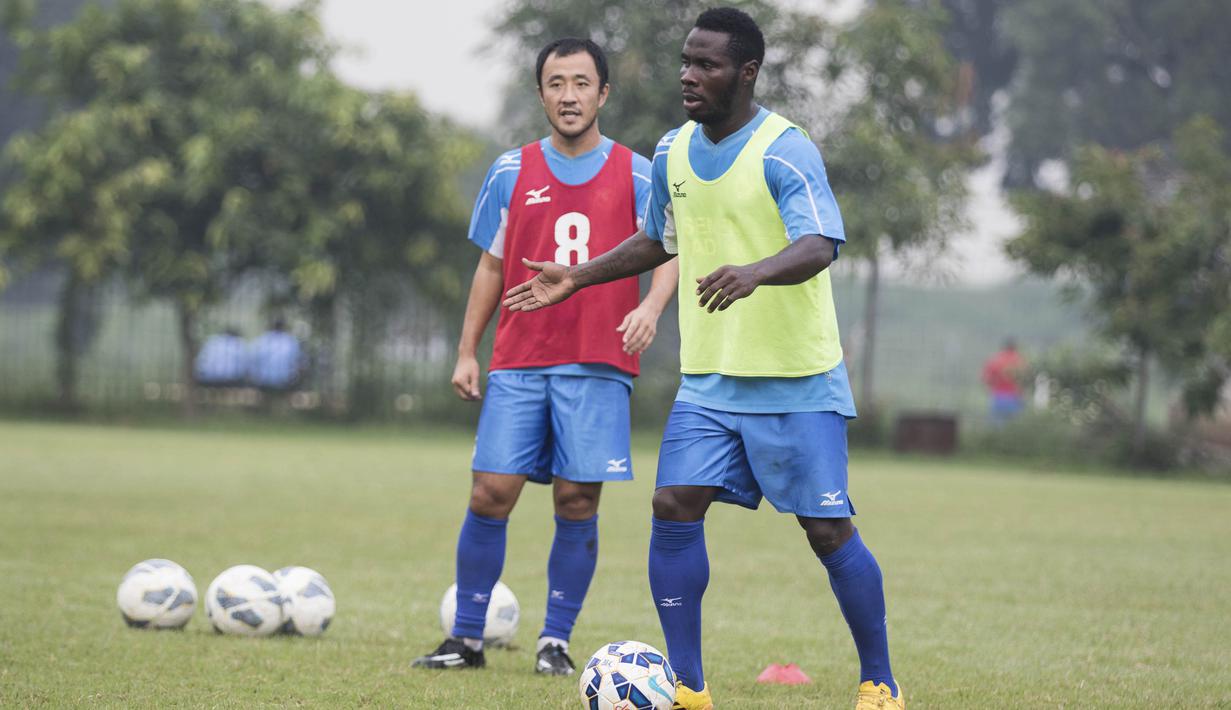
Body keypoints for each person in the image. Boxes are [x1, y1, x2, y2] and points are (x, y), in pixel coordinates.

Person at [503, 8, 902, 709]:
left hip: (796, 381)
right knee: (672, 503)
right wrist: (580, 276)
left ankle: (879, 680)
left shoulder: (784, 149)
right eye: (686, 62)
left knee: (827, 529)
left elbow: (820, 243)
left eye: (707, 65)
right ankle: (688, 687)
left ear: (745, 73)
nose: (689, 76)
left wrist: (754, 271)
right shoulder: (672, 152)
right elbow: (657, 238)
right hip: (710, 383)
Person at [411, 38, 678, 676]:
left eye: (581, 83)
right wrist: (465, 350)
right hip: (519, 360)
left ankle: (553, 643)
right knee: (489, 491)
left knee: (577, 502)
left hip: (598, 364)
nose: (568, 95)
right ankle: (466, 640)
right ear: (540, 94)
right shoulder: (510, 170)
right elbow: (491, 266)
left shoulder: (641, 174)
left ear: (603, 93)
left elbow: (671, 250)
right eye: (556, 83)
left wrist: (649, 308)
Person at [246, 318, 303, 390]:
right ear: (284, 327)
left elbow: (252, 361)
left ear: (271, 326)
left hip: (263, 381)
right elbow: (298, 363)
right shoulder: (291, 341)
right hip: (285, 381)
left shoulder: (261, 340)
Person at [982, 338, 1025, 424]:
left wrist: (994, 385)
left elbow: (986, 379)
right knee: (1015, 428)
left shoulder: (996, 360)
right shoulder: (1020, 361)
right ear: (1015, 348)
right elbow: (1025, 380)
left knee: (997, 428)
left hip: (998, 397)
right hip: (1015, 398)